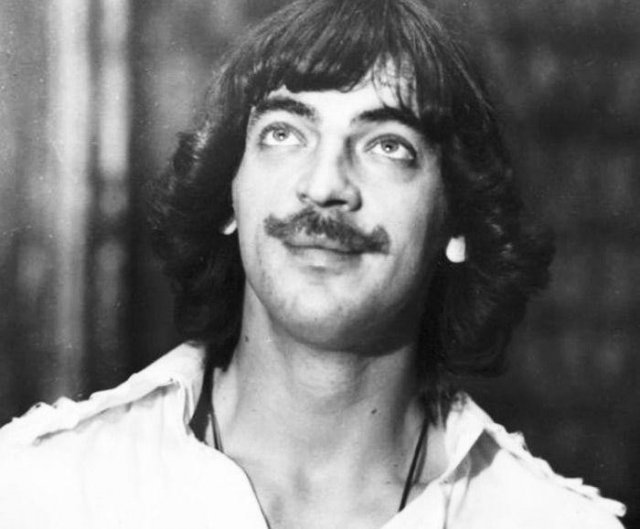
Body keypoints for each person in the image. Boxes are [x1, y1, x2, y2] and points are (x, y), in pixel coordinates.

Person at [0, 0, 626, 527]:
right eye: (284, 133)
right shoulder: (44, 492)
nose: (325, 185)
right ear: (228, 195)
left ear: (459, 222)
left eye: (388, 146)